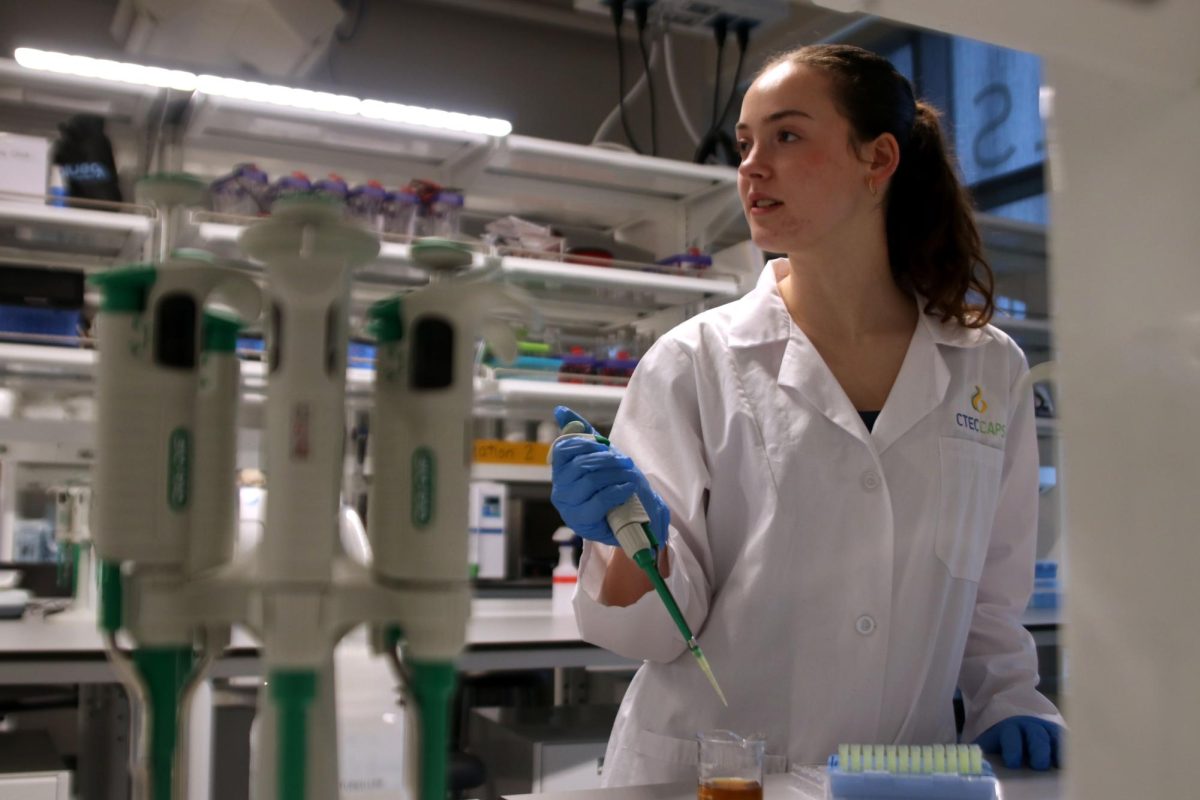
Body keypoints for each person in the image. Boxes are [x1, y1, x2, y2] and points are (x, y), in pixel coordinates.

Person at [549, 44, 1063, 787]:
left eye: (787, 136)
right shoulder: (694, 361)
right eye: (746, 143)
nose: (752, 167)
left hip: (897, 779)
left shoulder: (988, 369)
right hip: (716, 776)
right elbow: (658, 634)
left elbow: (990, 593)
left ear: (877, 158)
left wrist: (1011, 698)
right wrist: (633, 546)